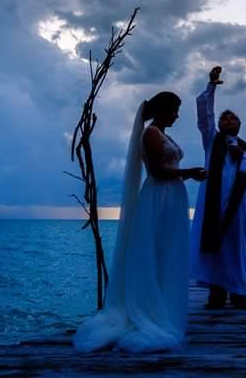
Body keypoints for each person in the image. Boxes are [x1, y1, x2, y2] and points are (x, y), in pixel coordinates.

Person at [74, 92, 207, 353]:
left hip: (171, 198)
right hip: (158, 197)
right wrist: (189, 172)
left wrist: (186, 175)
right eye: (174, 110)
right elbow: (157, 171)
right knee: (155, 251)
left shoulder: (162, 134)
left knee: (167, 253)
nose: (177, 115)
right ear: (162, 110)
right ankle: (150, 309)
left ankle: (163, 305)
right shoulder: (151, 133)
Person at [190, 66, 246, 310]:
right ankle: (216, 292)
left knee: (235, 245)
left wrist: (242, 154)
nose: (228, 120)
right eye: (225, 118)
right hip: (213, 203)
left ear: (240, 124)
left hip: (238, 204)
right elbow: (205, 116)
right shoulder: (212, 141)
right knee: (215, 246)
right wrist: (211, 86)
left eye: (233, 117)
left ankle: (238, 292)